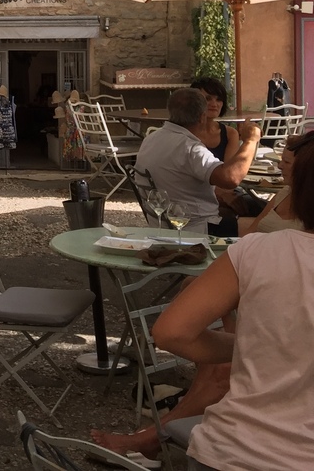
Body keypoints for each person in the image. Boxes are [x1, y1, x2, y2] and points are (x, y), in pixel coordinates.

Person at [91, 130, 314, 463]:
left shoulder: (262, 250)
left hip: (228, 450)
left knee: (219, 367)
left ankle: (152, 436)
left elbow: (170, 332)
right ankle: (155, 435)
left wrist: (252, 343)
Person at [133, 87, 260, 238]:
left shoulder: (151, 138)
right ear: (202, 117)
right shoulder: (190, 148)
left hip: (163, 223)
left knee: (251, 207)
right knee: (269, 226)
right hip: (195, 228)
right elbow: (231, 178)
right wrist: (251, 140)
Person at [190, 77, 240, 161]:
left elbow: (229, 171)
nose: (214, 104)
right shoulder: (184, 133)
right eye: (208, 99)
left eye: (219, 100)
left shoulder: (230, 134)